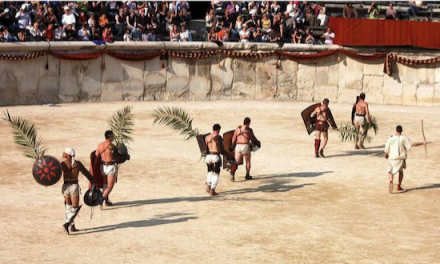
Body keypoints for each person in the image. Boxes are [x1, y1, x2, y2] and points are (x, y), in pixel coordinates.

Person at [60, 147, 95, 234]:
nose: (63, 153)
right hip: (74, 187)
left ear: (68, 155)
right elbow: (87, 174)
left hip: (65, 186)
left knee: (69, 208)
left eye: (64, 152)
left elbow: (54, 174)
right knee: (74, 208)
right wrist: (94, 182)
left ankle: (71, 225)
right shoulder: (78, 164)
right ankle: (68, 224)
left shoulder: (62, 164)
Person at [384, 125, 426, 193]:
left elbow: (387, 147)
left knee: (391, 171)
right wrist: (422, 143)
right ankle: (398, 185)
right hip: (400, 158)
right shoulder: (404, 138)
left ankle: (391, 181)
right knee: (400, 172)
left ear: (396, 130)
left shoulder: (391, 137)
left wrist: (386, 154)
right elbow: (412, 144)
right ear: (401, 131)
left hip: (392, 157)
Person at [204, 124, 232, 196]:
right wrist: (228, 155)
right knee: (216, 172)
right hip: (215, 156)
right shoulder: (218, 137)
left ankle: (208, 185)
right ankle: (212, 189)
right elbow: (221, 149)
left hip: (208, 156)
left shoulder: (207, 137)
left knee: (209, 170)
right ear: (218, 129)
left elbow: (204, 148)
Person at [94, 131, 118, 206]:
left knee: (105, 184)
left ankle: (106, 201)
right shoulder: (112, 146)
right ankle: (102, 199)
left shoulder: (100, 145)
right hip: (110, 166)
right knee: (110, 186)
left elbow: (96, 155)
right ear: (110, 137)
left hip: (103, 167)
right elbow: (116, 157)